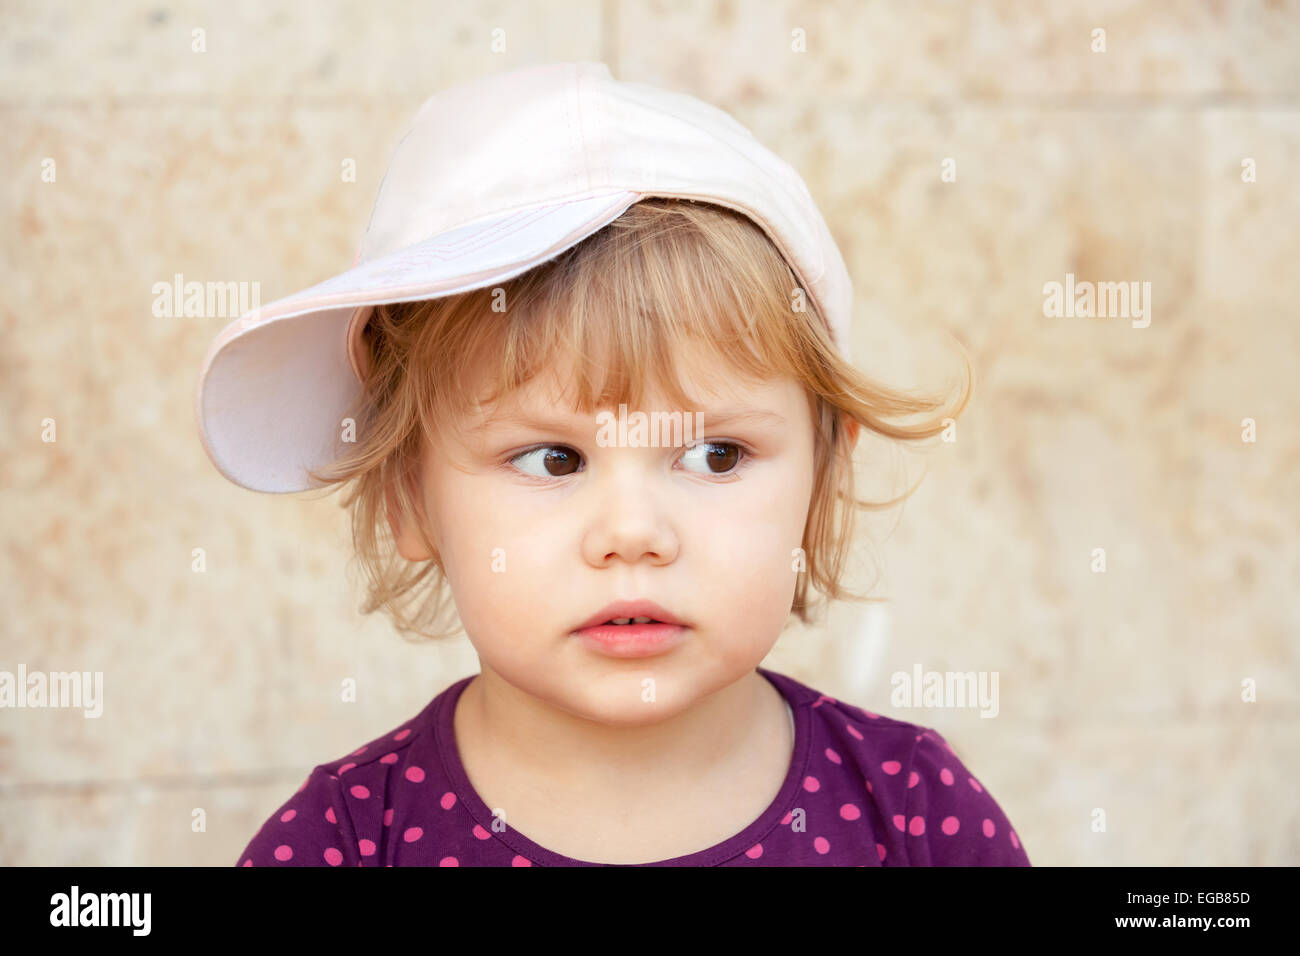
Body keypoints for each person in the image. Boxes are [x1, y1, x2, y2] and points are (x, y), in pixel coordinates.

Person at [196, 61, 1029, 867]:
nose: (633, 533)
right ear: (407, 497)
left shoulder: (921, 818)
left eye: (715, 454)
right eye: (554, 460)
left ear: (825, 482)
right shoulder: (342, 844)